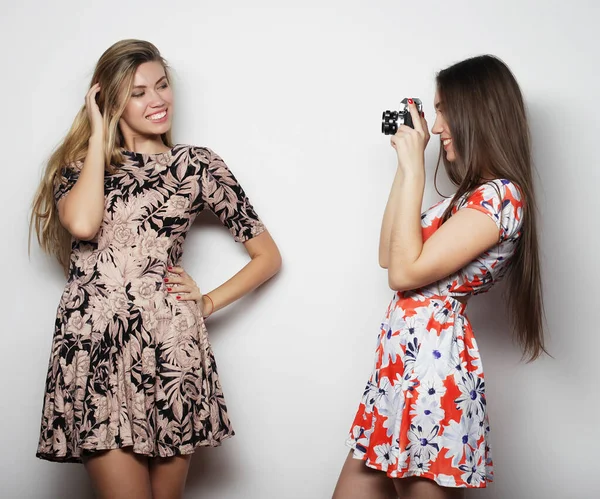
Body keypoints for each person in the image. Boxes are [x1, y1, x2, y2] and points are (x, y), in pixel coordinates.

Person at [31, 39, 282, 499]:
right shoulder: (77, 170)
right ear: (109, 101)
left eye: (162, 86)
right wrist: (96, 129)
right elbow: (84, 224)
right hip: (95, 347)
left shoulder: (197, 165)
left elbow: (268, 256)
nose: (157, 100)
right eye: (138, 91)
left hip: (170, 346)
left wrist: (207, 302)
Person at [333, 55, 545, 499]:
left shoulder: (501, 197)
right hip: (398, 375)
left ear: (476, 112)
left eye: (444, 108)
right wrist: (403, 168)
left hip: (434, 379)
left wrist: (415, 169)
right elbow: (387, 254)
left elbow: (404, 272)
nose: (439, 124)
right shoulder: (465, 199)